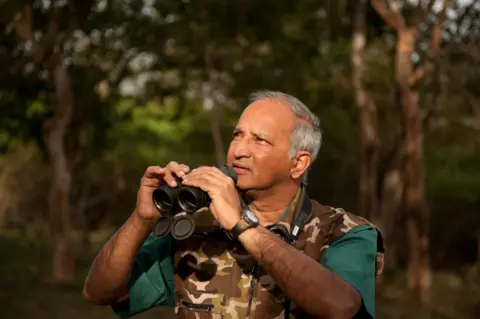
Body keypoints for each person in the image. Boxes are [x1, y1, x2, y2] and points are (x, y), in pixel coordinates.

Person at [83, 90, 385, 319]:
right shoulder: (196, 228)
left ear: (298, 163)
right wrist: (141, 219)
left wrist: (242, 225)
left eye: (259, 140)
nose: (239, 150)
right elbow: (98, 292)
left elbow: (342, 307)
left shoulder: (344, 232)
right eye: (237, 135)